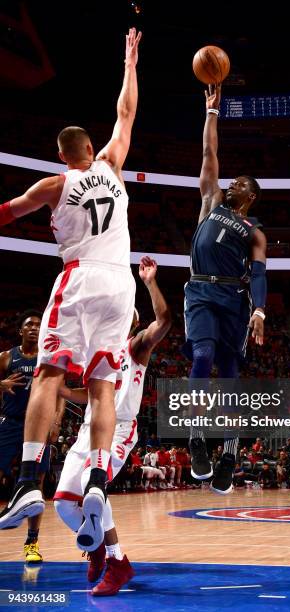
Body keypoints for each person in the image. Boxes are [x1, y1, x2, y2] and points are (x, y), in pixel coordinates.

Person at [0, 28, 142, 542]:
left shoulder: (55, 184)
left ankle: (26, 480)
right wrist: (129, 62)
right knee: (103, 387)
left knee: (47, 375)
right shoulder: (113, 166)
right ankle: (99, 479)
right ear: (91, 147)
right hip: (121, 286)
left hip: (80, 278)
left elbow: (7, 213)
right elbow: (125, 114)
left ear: (63, 155)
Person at [54, 257, 171, 596]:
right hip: (89, 427)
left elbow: (164, 320)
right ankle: (97, 548)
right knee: (63, 503)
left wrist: (150, 283)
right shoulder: (97, 352)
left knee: (95, 489)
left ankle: (118, 563)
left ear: (131, 321)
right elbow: (91, 394)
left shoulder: (135, 347)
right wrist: (60, 391)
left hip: (118, 429)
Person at [183, 80, 267, 494]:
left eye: (242, 184)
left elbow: (262, 275)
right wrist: (211, 112)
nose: (233, 184)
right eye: (233, 181)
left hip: (234, 297)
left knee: (231, 375)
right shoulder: (211, 201)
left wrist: (259, 310)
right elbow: (209, 153)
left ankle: (229, 457)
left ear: (251, 197)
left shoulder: (254, 231)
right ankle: (198, 441)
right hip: (199, 291)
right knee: (201, 357)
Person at [0, 311, 65, 562]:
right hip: (10, 423)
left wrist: (56, 421)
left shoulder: (47, 359)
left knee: (35, 486)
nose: (34, 328)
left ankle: (32, 543)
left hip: (38, 429)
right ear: (21, 331)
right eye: (29, 325)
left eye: (39, 325)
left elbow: (59, 392)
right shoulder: (6, 357)